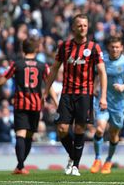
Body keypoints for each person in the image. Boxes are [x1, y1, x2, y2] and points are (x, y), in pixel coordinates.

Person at [43, 14, 107, 176]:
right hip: (67, 94)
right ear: (73, 27)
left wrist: (103, 96)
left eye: (85, 25)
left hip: (85, 94)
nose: (82, 28)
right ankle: (73, 156)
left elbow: (102, 72)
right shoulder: (64, 47)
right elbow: (54, 69)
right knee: (62, 129)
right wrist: (46, 90)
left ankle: (75, 166)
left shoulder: (94, 47)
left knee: (79, 128)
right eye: (79, 25)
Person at [0, 39, 52, 175]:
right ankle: (20, 166)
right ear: (36, 49)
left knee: (20, 134)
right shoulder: (42, 66)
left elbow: (1, 80)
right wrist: (54, 101)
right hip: (36, 105)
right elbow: (49, 84)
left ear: (23, 50)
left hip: (20, 104)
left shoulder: (17, 64)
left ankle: (20, 165)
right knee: (29, 136)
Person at [90, 36, 124, 174]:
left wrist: (123, 86)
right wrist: (94, 89)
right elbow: (97, 76)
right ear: (108, 47)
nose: (114, 49)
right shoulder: (101, 59)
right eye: (112, 47)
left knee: (114, 134)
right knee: (99, 129)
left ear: (122, 47)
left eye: (117, 47)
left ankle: (108, 160)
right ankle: (97, 159)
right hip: (102, 100)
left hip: (118, 103)